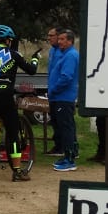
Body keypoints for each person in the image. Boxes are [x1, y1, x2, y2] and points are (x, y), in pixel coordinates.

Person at [0, 24, 39, 181]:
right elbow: (31, 70)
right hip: (5, 96)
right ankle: (17, 171)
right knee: (13, 133)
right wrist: (34, 59)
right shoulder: (13, 54)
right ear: (8, 41)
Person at [49, 29, 80, 172]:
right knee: (65, 127)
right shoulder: (63, 54)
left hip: (64, 97)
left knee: (66, 128)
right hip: (59, 97)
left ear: (70, 41)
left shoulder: (71, 55)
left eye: (62, 39)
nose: (59, 41)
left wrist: (54, 90)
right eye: (59, 39)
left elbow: (66, 77)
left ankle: (70, 160)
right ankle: (69, 155)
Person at [42, 25, 63, 155]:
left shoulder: (64, 52)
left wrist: (56, 88)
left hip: (61, 93)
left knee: (63, 122)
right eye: (48, 35)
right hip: (53, 92)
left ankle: (64, 147)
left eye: (51, 35)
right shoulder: (52, 51)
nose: (48, 38)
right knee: (54, 120)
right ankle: (57, 145)